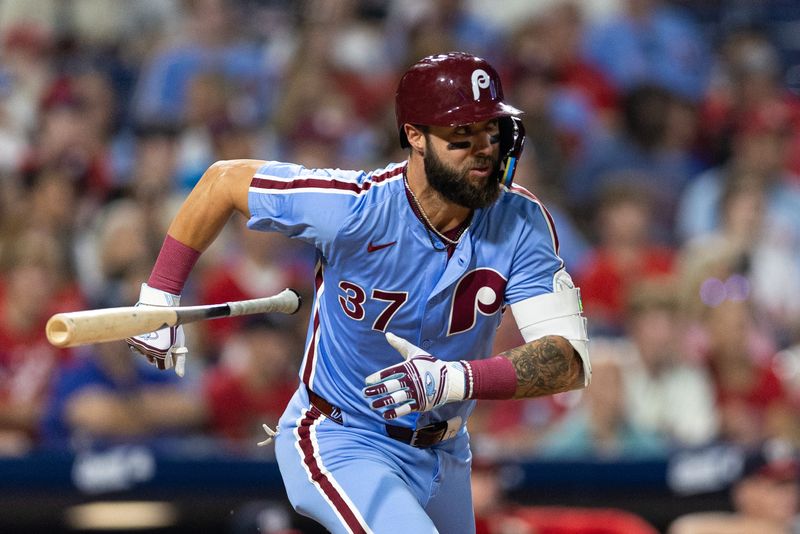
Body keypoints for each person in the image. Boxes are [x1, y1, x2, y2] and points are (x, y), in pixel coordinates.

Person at [125, 51, 591, 533]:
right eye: (461, 137)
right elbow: (222, 182)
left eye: (491, 132)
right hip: (344, 435)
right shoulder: (354, 208)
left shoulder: (522, 220)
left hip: (447, 450)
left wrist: (454, 380)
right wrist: (160, 296)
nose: (484, 151)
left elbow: (570, 360)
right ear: (415, 136)